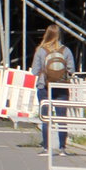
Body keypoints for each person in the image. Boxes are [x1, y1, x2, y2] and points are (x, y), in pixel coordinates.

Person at [31, 23, 74, 155]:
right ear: (59, 35)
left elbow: (34, 71)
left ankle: (46, 148)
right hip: (61, 88)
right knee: (62, 118)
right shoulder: (66, 50)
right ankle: (62, 148)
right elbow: (71, 70)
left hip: (44, 87)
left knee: (46, 119)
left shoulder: (41, 50)